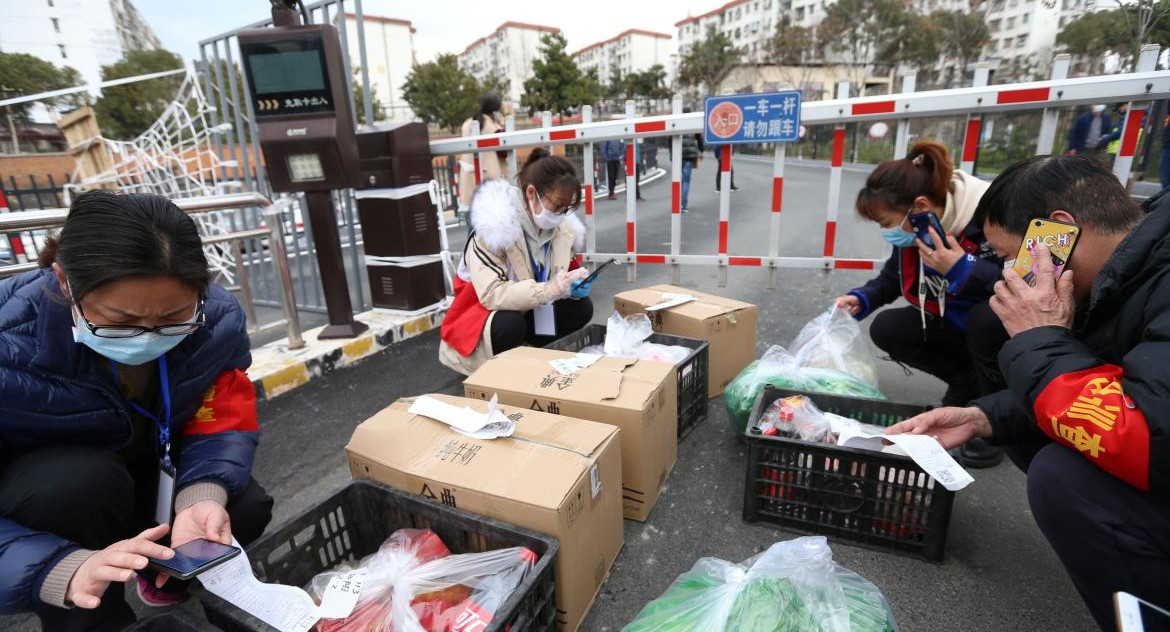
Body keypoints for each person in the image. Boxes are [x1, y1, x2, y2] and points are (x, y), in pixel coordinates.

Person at [886, 156, 1170, 631]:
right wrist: (982, 416)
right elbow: (1115, 384)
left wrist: (1040, 338)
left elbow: (1151, 439)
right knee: (1034, 417)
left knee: (1063, 478)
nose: (1006, 274)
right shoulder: (1129, 273)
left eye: (1009, 256)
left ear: (1058, 232)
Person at [0, 191, 273, 631]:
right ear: (64, 281)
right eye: (121, 321)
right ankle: (88, 606)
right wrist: (55, 570)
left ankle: (165, 570)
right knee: (77, 486)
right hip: (55, 500)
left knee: (241, 507)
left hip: (150, 468)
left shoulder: (216, 318)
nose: (148, 337)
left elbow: (222, 413)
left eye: (173, 318)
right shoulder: (7, 342)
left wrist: (201, 495)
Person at [834, 139, 1007, 468]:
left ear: (920, 205)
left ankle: (993, 420)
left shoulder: (991, 219)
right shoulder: (920, 229)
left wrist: (963, 268)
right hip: (950, 324)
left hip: (997, 334)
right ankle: (965, 384)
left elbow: (1024, 282)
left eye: (886, 223)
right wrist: (861, 298)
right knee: (888, 328)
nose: (887, 232)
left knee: (985, 320)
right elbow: (892, 278)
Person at [439, 149, 593, 375]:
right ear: (532, 193)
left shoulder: (560, 229)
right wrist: (548, 289)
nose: (561, 214)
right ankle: (500, 373)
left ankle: (533, 356)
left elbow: (565, 270)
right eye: (557, 205)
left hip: (530, 306)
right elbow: (491, 293)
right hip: (482, 315)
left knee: (581, 307)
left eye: (566, 208)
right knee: (509, 325)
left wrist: (574, 283)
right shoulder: (493, 228)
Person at [458, 92, 508, 212]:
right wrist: (502, 126)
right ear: (496, 110)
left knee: (473, 222)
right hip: (490, 182)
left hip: (469, 179)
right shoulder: (493, 127)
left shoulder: (467, 123)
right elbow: (505, 152)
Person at [680, 132, 704, 212]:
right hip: (690, 155)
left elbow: (670, 138)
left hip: (678, 153)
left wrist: (671, 154)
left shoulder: (676, 120)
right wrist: (701, 150)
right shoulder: (691, 122)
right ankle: (683, 205)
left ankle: (677, 204)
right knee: (686, 181)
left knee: (677, 181)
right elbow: (699, 138)